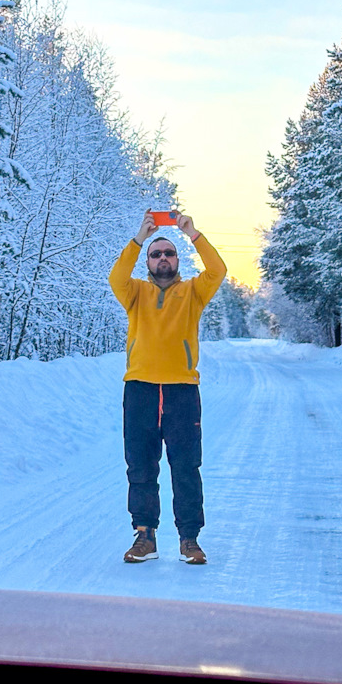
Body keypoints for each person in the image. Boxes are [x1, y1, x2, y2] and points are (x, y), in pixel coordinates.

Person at [108, 211, 227, 565]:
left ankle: (189, 539)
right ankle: (145, 536)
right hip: (140, 389)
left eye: (169, 253)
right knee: (140, 465)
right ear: (148, 261)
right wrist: (140, 238)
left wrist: (193, 234)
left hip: (182, 392)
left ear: (178, 260)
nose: (163, 258)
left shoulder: (193, 292)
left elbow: (217, 271)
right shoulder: (135, 293)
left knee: (186, 466)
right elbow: (116, 277)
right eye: (156, 254)